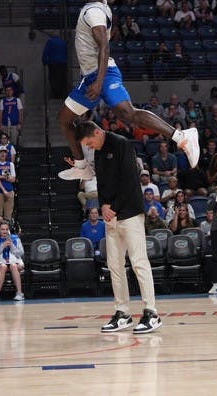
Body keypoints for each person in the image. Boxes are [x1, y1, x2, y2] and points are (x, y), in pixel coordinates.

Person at [57, 0, 199, 182]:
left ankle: (182, 136)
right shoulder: (98, 4)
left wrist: (99, 82)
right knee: (65, 120)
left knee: (127, 113)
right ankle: (82, 166)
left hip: (103, 74)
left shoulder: (94, 13)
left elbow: (105, 48)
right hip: (90, 77)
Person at [76, 120, 161, 334]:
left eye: (90, 142)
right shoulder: (98, 151)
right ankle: (122, 312)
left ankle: (151, 312)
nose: (89, 146)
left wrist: (113, 206)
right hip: (111, 215)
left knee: (139, 262)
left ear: (97, 132)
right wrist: (103, 205)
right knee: (114, 265)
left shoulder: (121, 143)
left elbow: (131, 181)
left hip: (130, 212)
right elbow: (102, 182)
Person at [0, 222, 25, 301]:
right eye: (2, 229)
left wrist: (12, 246)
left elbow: (21, 254)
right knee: (3, 266)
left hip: (16, 261)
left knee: (13, 265)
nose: (5, 231)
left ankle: (20, 293)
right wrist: (2, 246)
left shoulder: (16, 239)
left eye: (6, 229)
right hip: (1, 261)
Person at [42, 33, 69, 99]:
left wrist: (44, 62)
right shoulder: (63, 42)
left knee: (53, 79)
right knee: (62, 79)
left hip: (53, 63)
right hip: (63, 63)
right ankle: (62, 95)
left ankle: (55, 95)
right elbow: (66, 52)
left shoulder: (50, 42)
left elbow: (46, 52)